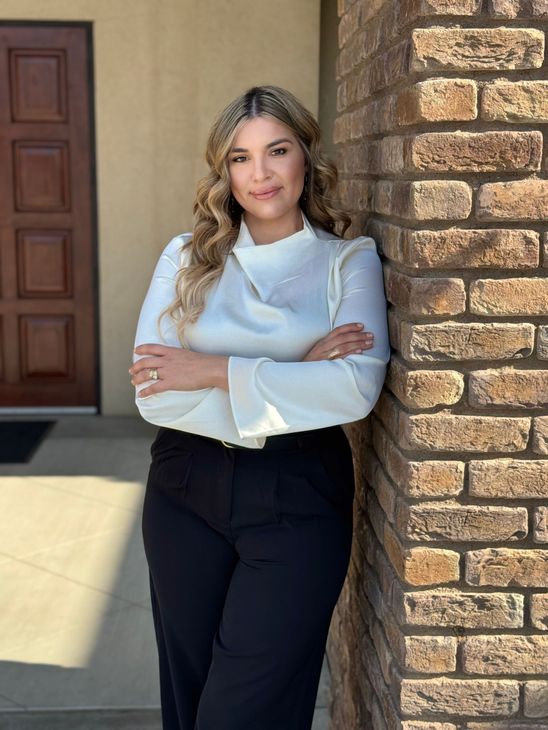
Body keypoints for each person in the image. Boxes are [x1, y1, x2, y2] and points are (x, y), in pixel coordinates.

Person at [129, 85, 390, 730]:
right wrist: (296, 374)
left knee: (246, 709)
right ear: (225, 172)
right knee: (189, 697)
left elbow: (355, 389)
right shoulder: (186, 258)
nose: (261, 173)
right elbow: (155, 391)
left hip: (297, 495)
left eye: (277, 150)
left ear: (306, 156)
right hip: (183, 489)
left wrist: (211, 371)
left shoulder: (347, 261)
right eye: (241, 158)